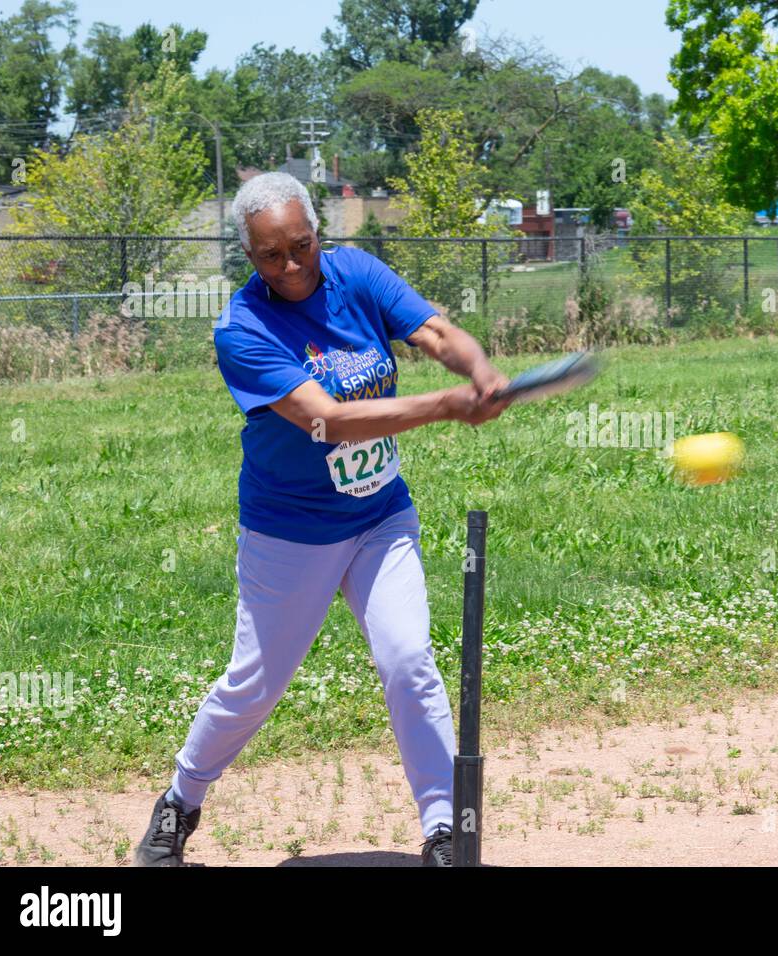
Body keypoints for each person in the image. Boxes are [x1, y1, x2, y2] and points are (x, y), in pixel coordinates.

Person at [133, 171, 510, 867]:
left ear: (318, 233)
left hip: (379, 516)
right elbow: (326, 421)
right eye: (270, 256)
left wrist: (477, 367)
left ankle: (442, 829)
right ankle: (180, 803)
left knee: (407, 661)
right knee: (255, 684)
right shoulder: (242, 328)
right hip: (290, 529)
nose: (290, 266)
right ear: (249, 257)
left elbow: (431, 330)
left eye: (300, 246)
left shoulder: (356, 274)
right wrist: (445, 405)